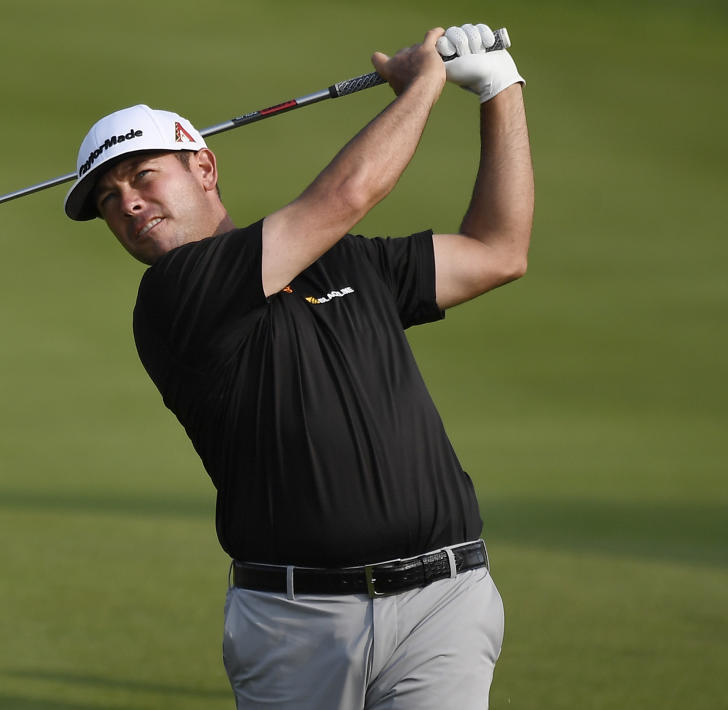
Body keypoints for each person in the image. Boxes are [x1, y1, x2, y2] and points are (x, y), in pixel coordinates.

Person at [64, 22, 532, 710]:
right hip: (297, 623)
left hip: (444, 602)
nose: (127, 203)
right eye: (107, 199)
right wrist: (425, 83)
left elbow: (499, 251)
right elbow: (345, 197)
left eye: (142, 176)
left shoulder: (347, 260)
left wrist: (500, 88)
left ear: (203, 167)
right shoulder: (175, 295)